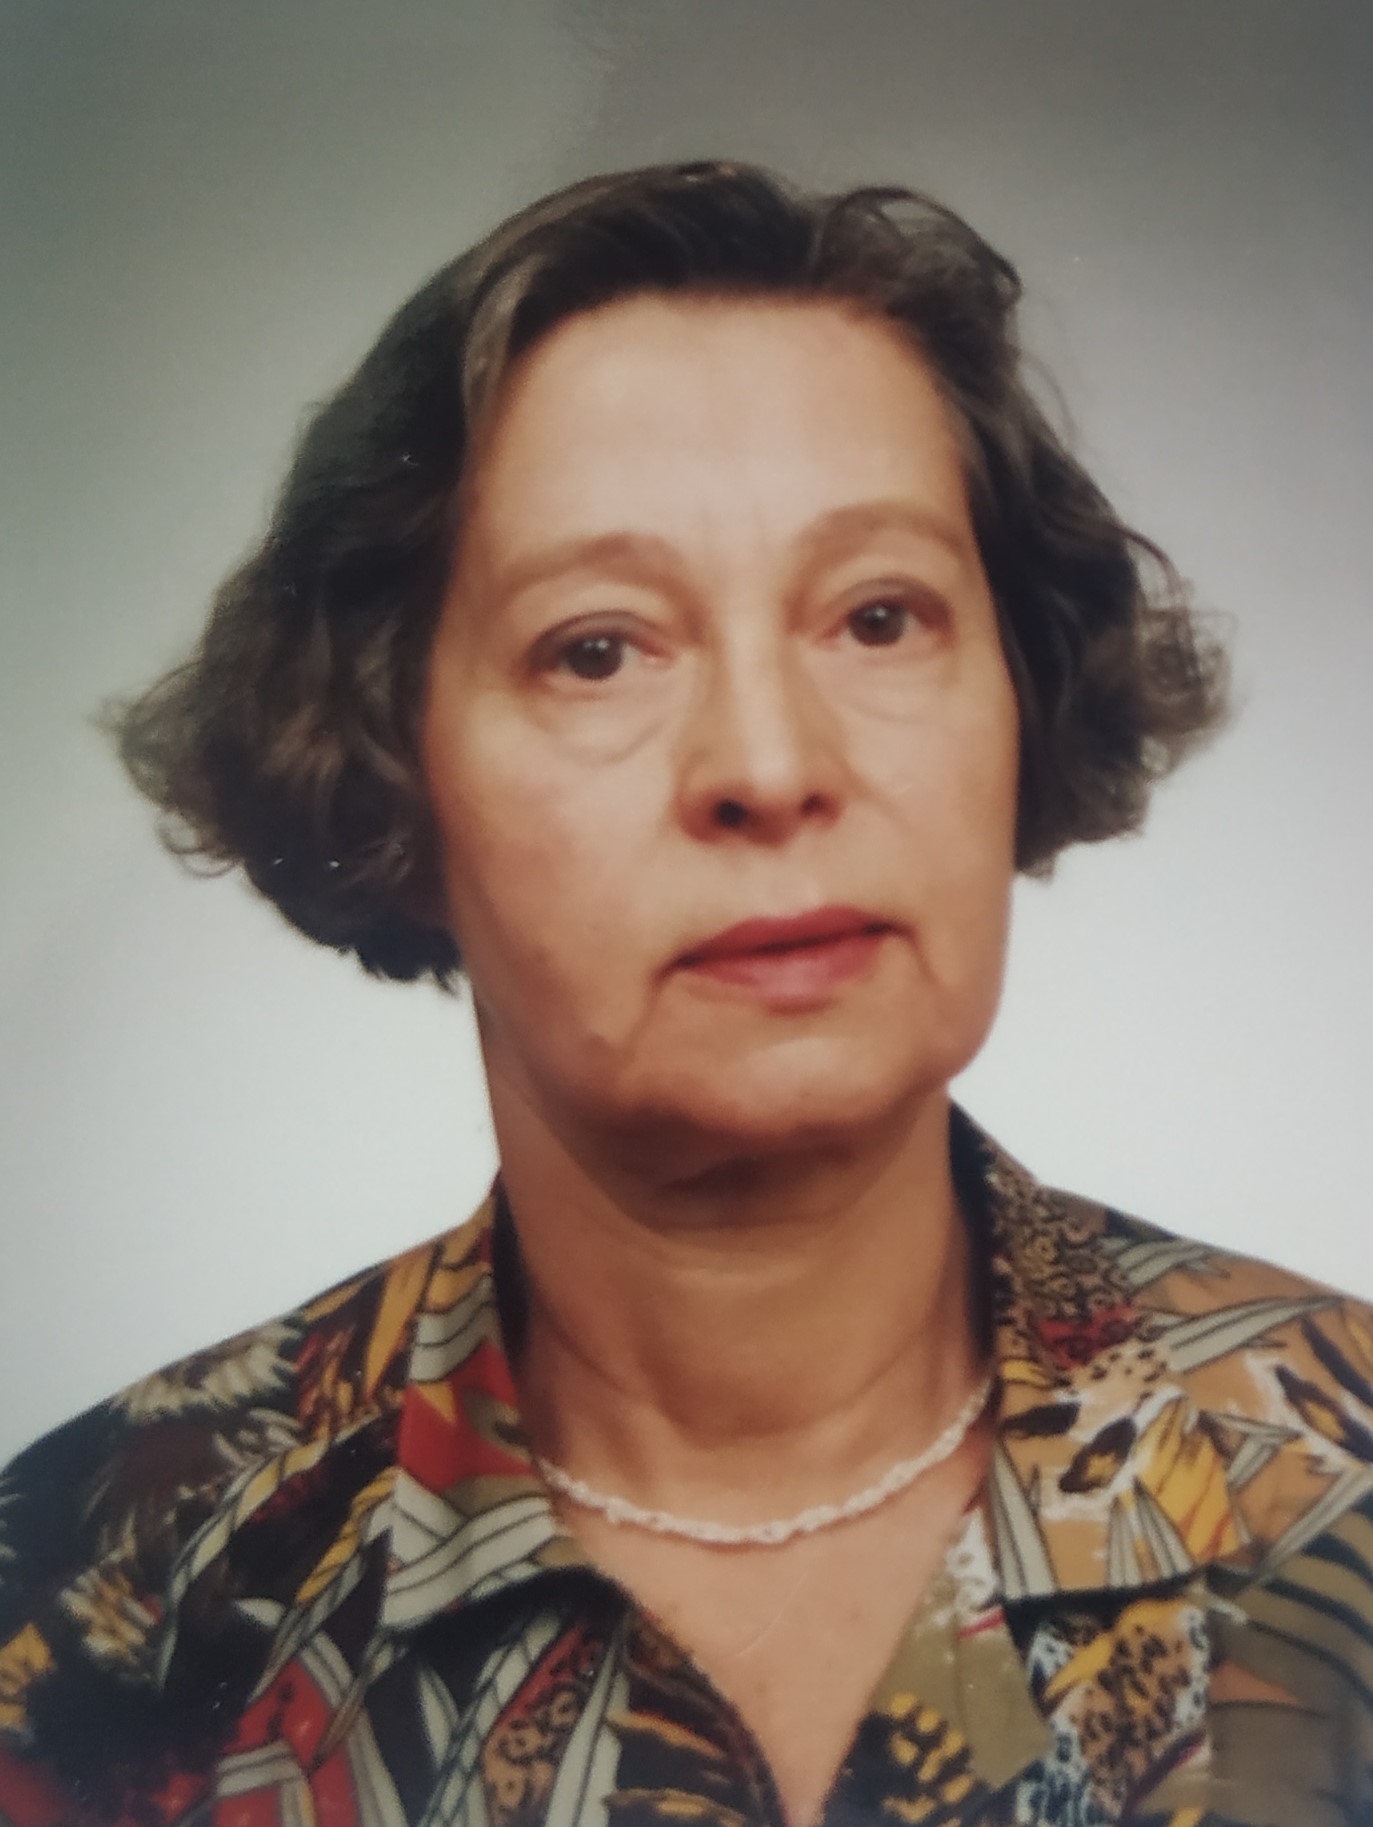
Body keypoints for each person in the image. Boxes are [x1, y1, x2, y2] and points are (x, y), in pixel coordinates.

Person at [0, 160, 1367, 1827]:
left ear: (1023, 700)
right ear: (384, 777)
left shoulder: (1344, 1490)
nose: (769, 766)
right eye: (597, 648)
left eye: (879, 617)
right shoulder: (97, 1596)